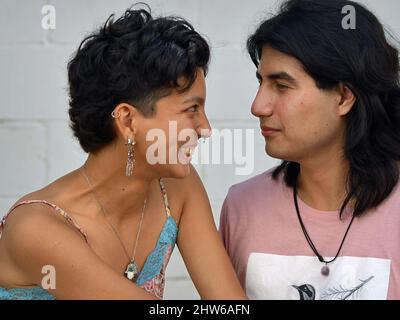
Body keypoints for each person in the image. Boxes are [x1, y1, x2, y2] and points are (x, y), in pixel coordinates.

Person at [0, 7, 246, 300]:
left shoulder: (177, 186)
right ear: (128, 121)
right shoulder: (36, 229)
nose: (205, 129)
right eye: (191, 109)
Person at [220, 0, 400, 300]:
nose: (257, 106)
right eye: (261, 83)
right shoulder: (242, 207)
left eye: (281, 85)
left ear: (343, 97)